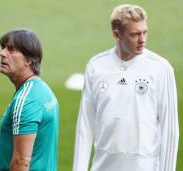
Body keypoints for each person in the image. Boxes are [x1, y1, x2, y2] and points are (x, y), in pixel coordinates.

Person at [73, 4, 179, 171]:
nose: (142, 39)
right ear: (117, 34)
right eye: (135, 34)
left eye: (145, 32)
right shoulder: (96, 66)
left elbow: (170, 129)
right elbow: (85, 126)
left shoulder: (161, 69)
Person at [0, 29, 59, 171]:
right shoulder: (43, 90)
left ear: (29, 60)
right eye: (3, 48)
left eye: (11, 50)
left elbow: (21, 162)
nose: (2, 53)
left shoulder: (26, 100)